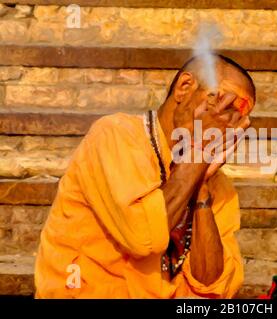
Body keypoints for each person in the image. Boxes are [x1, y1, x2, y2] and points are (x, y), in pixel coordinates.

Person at [34, 54, 256, 298]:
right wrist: (200, 151)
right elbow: (143, 236)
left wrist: (200, 185)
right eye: (223, 104)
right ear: (184, 88)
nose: (225, 122)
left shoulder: (218, 184)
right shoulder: (115, 135)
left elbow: (214, 285)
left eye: (237, 117)